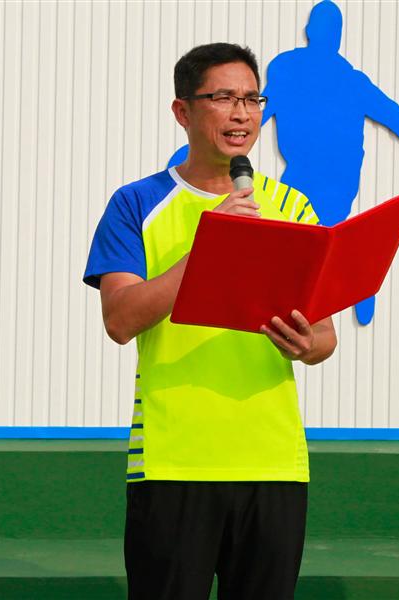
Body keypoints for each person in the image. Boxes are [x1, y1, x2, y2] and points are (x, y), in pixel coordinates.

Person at [83, 43, 337, 600]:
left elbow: (325, 337)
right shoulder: (136, 204)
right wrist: (209, 247)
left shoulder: (294, 208)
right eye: (223, 98)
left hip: (273, 464)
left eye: (252, 99)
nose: (241, 114)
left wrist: (306, 343)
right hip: (173, 463)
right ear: (183, 111)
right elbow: (120, 319)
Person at [260, 0, 399, 324]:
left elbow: (391, 113)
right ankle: (354, 275)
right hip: (305, 170)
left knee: (320, 229)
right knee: (296, 229)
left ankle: (355, 278)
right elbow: (263, 111)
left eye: (332, 31)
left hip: (338, 175)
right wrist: (224, 145)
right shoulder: (288, 69)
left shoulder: (348, 80)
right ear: (312, 32)